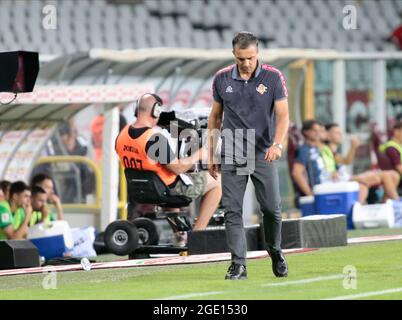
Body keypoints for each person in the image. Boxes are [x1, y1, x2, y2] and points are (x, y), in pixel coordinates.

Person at [208, 32, 289, 280]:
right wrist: (212, 152)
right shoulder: (221, 78)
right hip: (233, 150)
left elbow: (283, 115)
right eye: (241, 58)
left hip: (263, 151)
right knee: (233, 211)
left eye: (251, 57)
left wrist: (278, 144)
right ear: (234, 54)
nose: (246, 63)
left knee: (272, 210)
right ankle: (239, 264)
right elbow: (215, 117)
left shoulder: (273, 77)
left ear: (258, 53)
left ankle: (275, 251)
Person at [115, 93, 222, 232]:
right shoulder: (154, 138)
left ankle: (180, 234)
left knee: (170, 188)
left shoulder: (121, 135)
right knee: (217, 181)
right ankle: (198, 232)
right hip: (167, 188)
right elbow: (177, 168)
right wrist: (199, 154)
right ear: (156, 111)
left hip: (142, 188)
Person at [325, 122, 400, 201]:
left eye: (340, 132)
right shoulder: (327, 149)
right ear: (327, 135)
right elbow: (346, 161)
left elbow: (346, 161)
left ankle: (386, 202)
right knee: (384, 176)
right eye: (337, 133)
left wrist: (353, 147)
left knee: (394, 175)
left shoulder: (333, 150)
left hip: (346, 177)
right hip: (343, 180)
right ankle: (396, 201)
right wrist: (353, 147)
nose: (340, 135)